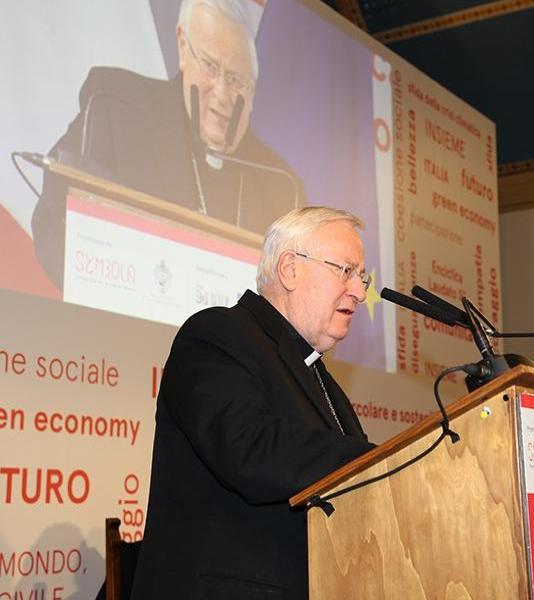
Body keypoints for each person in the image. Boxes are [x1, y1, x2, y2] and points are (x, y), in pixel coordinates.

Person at [130, 206, 375, 600]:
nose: (360, 292)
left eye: (361, 277)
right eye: (346, 271)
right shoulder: (218, 333)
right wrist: (380, 460)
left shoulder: (321, 378)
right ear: (290, 269)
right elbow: (249, 449)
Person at [32, 0, 305, 289]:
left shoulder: (280, 183)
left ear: (253, 92)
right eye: (210, 66)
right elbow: (54, 220)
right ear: (183, 46)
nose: (222, 93)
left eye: (236, 80)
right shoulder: (115, 106)